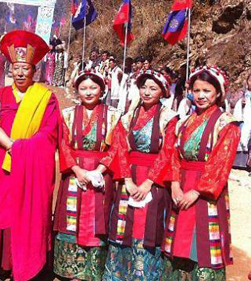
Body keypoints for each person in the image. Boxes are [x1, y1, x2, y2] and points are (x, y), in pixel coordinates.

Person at [0, 30, 60, 281]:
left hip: (31, 166)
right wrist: (12, 147)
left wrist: (24, 150)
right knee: (4, 209)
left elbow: (49, 132)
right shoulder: (2, 94)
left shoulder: (45, 97)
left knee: (29, 212)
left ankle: (26, 266)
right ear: (10, 69)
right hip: (8, 162)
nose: (19, 73)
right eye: (15, 67)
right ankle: (1, 265)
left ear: (34, 71)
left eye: (25, 68)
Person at [163, 66, 239, 280]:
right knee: (178, 244)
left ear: (218, 92)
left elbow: (220, 163)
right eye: (196, 91)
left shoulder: (226, 124)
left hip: (205, 195)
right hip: (182, 188)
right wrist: (175, 185)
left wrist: (196, 192)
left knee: (203, 244)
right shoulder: (184, 122)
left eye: (206, 91)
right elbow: (174, 156)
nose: (201, 96)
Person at [103, 69, 179, 280]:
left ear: (163, 91)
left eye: (153, 88)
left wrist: (148, 182)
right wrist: (127, 179)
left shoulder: (169, 118)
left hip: (153, 181)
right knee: (123, 224)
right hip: (129, 177)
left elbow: (168, 152)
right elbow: (119, 147)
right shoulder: (128, 117)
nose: (146, 92)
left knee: (149, 227)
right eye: (143, 87)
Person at [53, 69, 122, 281]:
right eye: (83, 88)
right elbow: (63, 144)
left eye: (93, 87)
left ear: (102, 90)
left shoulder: (113, 115)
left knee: (97, 219)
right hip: (75, 172)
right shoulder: (68, 114)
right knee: (71, 217)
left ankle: (93, 271)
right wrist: (77, 170)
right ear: (77, 90)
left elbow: (117, 147)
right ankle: (70, 269)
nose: (88, 92)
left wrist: (98, 171)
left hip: (101, 174)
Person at [231, 73, 251, 169]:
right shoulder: (242, 93)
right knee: (240, 138)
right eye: (250, 80)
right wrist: (240, 101)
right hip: (242, 119)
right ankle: (238, 162)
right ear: (247, 82)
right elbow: (232, 102)